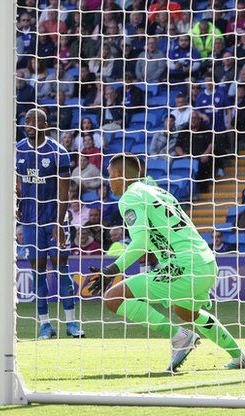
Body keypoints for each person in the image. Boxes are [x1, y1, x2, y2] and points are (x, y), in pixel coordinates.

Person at [86, 154, 244, 371]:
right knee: (187, 312)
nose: (109, 181)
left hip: (184, 266)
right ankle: (239, 356)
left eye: (110, 175)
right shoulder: (157, 191)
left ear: (120, 175)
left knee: (113, 298)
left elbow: (141, 241)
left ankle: (180, 337)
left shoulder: (130, 197)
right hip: (205, 261)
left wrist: (112, 270)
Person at [17, 109, 83, 339]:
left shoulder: (58, 152)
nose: (29, 124)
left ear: (45, 125)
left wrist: (59, 222)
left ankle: (72, 323)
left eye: (34, 121)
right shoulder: (18, 151)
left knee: (62, 270)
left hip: (54, 220)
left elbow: (63, 193)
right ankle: (45, 324)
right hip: (30, 221)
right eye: (26, 121)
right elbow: (17, 185)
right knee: (37, 272)